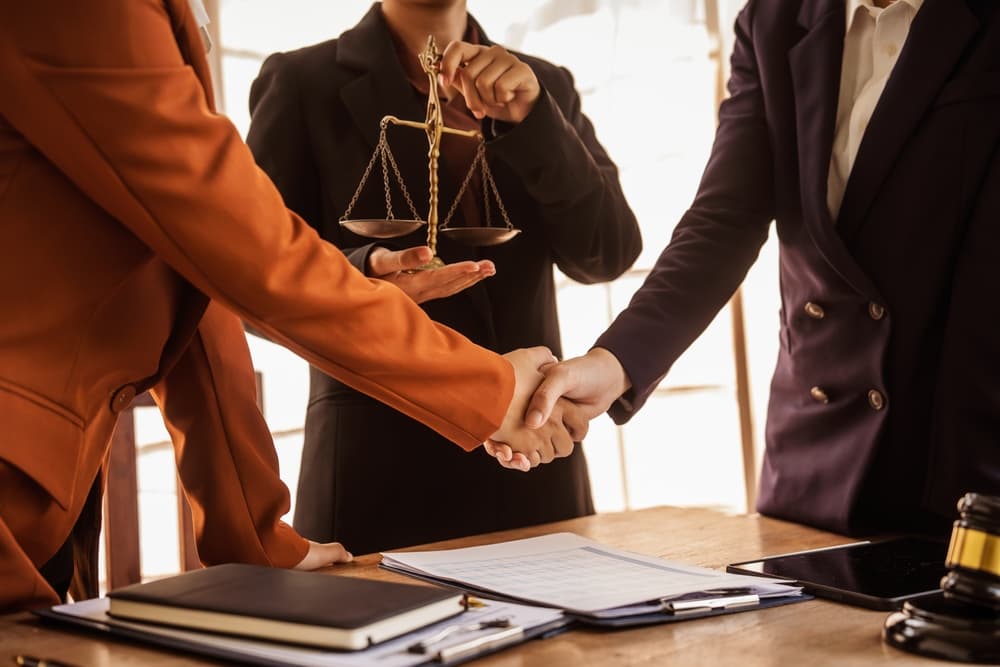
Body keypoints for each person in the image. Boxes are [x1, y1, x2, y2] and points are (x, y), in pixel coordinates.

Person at [0, 0, 585, 612]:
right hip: (36, 462)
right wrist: (487, 386)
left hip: (44, 487)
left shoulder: (543, 82)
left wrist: (252, 531)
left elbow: (194, 277)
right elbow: (246, 251)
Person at [507, 0, 1000, 537]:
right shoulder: (774, 18)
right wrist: (616, 362)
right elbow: (725, 219)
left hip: (964, 445)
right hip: (813, 454)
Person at [247, 0, 641, 554]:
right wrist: (361, 278)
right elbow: (252, 284)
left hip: (535, 462)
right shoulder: (301, 83)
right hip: (378, 477)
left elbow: (608, 252)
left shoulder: (544, 86)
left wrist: (537, 123)